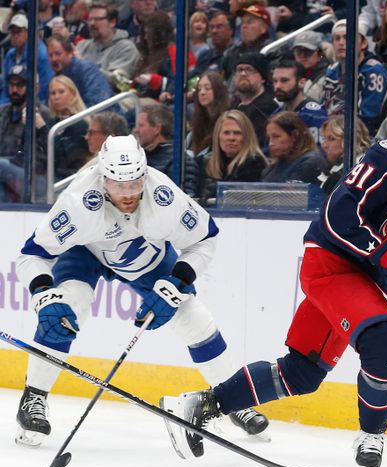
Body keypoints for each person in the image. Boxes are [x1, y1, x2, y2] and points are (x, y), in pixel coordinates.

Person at [158, 90, 387, 467]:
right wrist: (381, 253)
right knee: (385, 339)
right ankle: (372, 436)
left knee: (301, 373)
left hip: (364, 280)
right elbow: (339, 209)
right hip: (329, 264)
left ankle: (200, 405)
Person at [13, 135, 268, 447]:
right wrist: (43, 294)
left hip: (140, 253)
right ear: (101, 177)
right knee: (69, 306)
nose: (128, 194)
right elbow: (32, 254)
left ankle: (235, 398)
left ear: (145, 174)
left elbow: (205, 238)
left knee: (193, 318)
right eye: (118, 185)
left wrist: (177, 282)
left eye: (135, 183)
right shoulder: (79, 200)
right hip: (83, 251)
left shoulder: (163, 197)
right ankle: (33, 397)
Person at [321, 19, 387, 134]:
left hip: (362, 138)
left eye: (347, 37)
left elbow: (368, 119)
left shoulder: (374, 71)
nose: (341, 43)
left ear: (363, 43)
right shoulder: (331, 70)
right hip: (332, 133)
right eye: (337, 38)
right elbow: (324, 108)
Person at [192, 110, 267, 206]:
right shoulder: (202, 163)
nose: (231, 138)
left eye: (237, 133)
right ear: (218, 136)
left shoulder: (255, 164)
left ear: (247, 137)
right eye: (226, 133)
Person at [0, 65, 51, 203]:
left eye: (20, 85)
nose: (14, 90)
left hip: (35, 176)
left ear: (35, 88)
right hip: (8, 169)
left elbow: (49, 151)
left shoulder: (43, 114)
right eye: (11, 85)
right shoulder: (3, 112)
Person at [134, 103, 200, 189]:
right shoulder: (139, 157)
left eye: (141, 125)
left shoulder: (181, 163)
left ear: (157, 129)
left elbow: (184, 198)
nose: (136, 130)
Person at [76, 2, 141, 85]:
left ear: (112, 22)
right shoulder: (82, 46)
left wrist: (85, 64)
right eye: (90, 19)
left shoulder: (126, 48)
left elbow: (118, 82)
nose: (92, 24)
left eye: (97, 19)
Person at [46, 33, 115, 108]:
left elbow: (99, 102)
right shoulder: (55, 78)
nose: (54, 59)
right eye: (50, 55)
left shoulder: (86, 69)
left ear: (70, 53)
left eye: (58, 54)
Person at [270, 58, 328, 146]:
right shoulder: (276, 114)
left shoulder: (313, 114)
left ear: (301, 82)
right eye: (275, 81)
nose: (278, 86)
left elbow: (318, 152)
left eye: (284, 80)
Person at [1, 13, 54, 105]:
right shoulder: (9, 55)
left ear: (28, 32)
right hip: (12, 105)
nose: (15, 35)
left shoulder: (40, 54)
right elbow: (6, 87)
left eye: (18, 32)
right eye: (13, 32)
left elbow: (46, 87)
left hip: (35, 105)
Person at [261, 111, 327, 184]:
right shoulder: (274, 166)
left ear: (294, 135)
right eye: (269, 138)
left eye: (276, 136)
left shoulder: (309, 162)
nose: (271, 143)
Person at [46, 75, 90, 181]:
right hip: (47, 175)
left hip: (68, 179)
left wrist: (43, 129)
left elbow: (68, 160)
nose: (56, 97)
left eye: (61, 92)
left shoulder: (81, 124)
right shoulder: (51, 122)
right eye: (53, 93)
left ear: (73, 94)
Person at [231, 53, 277, 148]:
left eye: (249, 69)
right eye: (239, 70)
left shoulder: (268, 107)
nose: (243, 74)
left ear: (263, 78)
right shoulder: (232, 107)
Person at [317, 115, 371, 196]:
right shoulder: (337, 169)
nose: (324, 145)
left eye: (331, 139)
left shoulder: (347, 175)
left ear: (348, 140)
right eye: (324, 139)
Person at [189, 71, 230, 157]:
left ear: (218, 91)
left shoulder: (226, 120)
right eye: (199, 89)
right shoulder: (198, 121)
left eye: (207, 88)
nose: (202, 92)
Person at [292, 31, 329, 103]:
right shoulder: (291, 73)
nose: (302, 56)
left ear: (320, 54)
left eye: (308, 51)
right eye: (298, 52)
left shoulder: (327, 77)